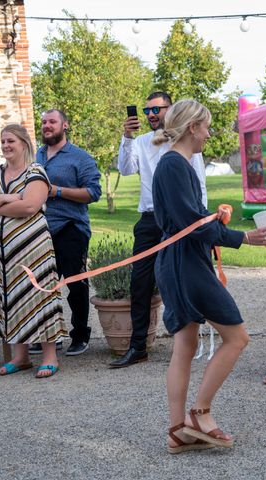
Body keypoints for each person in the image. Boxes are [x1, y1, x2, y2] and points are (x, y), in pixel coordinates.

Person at [151, 99, 266, 453]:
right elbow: (190, 226)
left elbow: (190, 218)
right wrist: (243, 237)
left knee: (185, 345)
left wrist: (212, 217)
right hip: (185, 264)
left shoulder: (177, 164)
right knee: (237, 337)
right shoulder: (175, 165)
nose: (208, 134)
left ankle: (177, 432)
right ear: (192, 127)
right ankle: (199, 414)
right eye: (205, 127)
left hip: (178, 261)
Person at [112, 91, 207, 368]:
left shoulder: (185, 141)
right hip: (150, 220)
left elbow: (199, 184)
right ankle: (137, 346)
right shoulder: (141, 141)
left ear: (170, 109)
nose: (152, 115)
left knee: (184, 279)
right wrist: (127, 138)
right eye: (147, 110)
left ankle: (188, 344)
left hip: (180, 219)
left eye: (157, 109)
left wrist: (201, 221)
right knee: (139, 283)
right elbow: (126, 169)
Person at [0, 124, 67, 378]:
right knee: (8, 299)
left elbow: (29, 207)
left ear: (24, 142)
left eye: (10, 140)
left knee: (39, 297)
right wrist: (8, 198)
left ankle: (49, 357)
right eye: (2, 141)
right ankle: (20, 357)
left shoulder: (36, 172)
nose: (5, 145)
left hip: (32, 249)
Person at [33, 109, 101, 356]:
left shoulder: (80, 157)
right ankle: (50, 336)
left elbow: (93, 193)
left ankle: (80, 336)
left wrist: (57, 191)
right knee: (43, 286)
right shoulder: (35, 156)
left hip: (71, 228)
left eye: (52, 121)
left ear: (65, 125)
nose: (47, 126)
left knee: (75, 285)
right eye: (43, 122)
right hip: (40, 230)